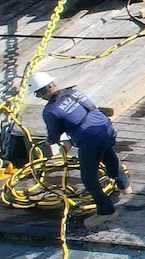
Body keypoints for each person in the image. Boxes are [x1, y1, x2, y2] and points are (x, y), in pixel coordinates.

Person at [33, 68, 127, 220]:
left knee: (89, 179)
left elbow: (53, 137)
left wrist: (54, 142)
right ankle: (125, 186)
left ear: (39, 93)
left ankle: (107, 212)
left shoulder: (50, 111)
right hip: (106, 128)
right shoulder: (73, 92)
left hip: (90, 141)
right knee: (108, 155)